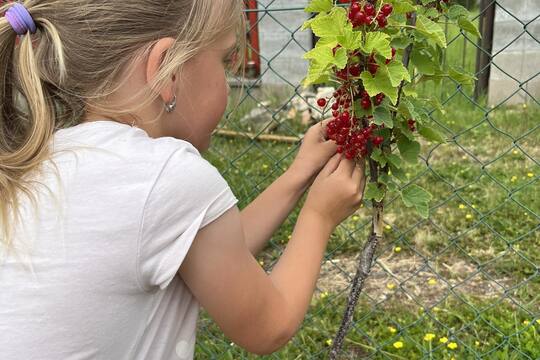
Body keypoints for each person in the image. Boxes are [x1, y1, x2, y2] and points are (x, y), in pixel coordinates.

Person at [0, 1, 366, 359]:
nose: (227, 77)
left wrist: (297, 175)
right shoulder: (165, 175)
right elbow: (270, 325)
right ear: (167, 71)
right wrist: (319, 217)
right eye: (224, 60)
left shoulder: (43, 157)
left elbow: (215, 251)